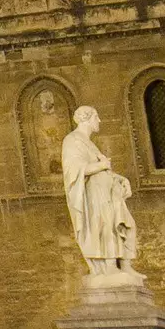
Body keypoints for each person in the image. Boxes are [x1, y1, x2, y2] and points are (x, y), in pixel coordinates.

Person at [61, 105, 137, 275]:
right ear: (86, 118)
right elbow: (73, 170)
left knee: (125, 224)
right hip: (93, 194)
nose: (99, 120)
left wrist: (118, 178)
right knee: (104, 226)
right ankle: (109, 266)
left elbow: (101, 170)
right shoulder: (72, 140)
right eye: (96, 117)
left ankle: (125, 265)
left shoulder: (89, 143)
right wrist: (102, 165)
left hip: (108, 193)